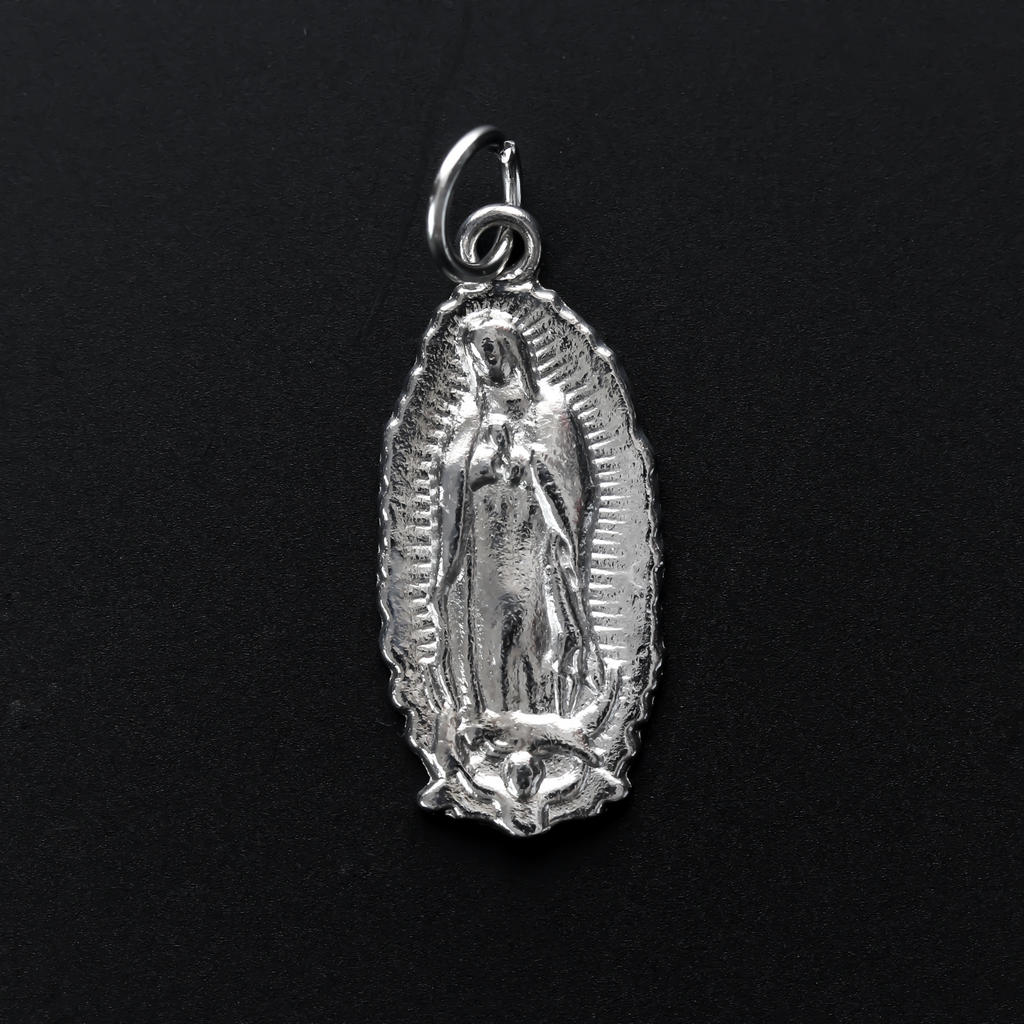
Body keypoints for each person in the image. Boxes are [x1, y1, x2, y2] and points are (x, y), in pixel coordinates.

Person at [431, 308, 604, 728]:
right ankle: (490, 731)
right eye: (478, 350)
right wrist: (481, 471)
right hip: (484, 564)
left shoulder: (550, 414)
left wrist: (529, 467)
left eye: (493, 346)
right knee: (491, 646)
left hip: (534, 556)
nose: (486, 357)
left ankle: (542, 730)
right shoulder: (468, 424)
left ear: (513, 351)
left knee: (533, 643)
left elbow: (571, 493)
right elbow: (451, 493)